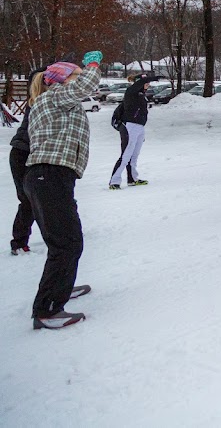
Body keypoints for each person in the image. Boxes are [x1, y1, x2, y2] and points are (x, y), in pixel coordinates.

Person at [25, 52, 103, 329]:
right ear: (61, 80)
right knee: (67, 244)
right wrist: (93, 65)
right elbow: (86, 87)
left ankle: (61, 287)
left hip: (51, 176)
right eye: (75, 76)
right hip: (49, 175)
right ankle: (47, 310)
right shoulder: (54, 96)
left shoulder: (56, 100)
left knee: (66, 241)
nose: (80, 82)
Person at [9, 69, 44, 255]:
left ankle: (63, 232)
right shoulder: (39, 100)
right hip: (23, 153)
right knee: (28, 200)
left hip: (36, 154)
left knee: (50, 196)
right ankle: (19, 242)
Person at [108, 72, 159, 190]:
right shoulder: (131, 91)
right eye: (146, 82)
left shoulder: (141, 94)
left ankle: (132, 179)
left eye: (149, 83)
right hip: (129, 126)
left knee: (134, 155)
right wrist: (153, 78)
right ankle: (114, 181)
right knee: (126, 155)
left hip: (139, 127)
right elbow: (139, 83)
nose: (148, 85)